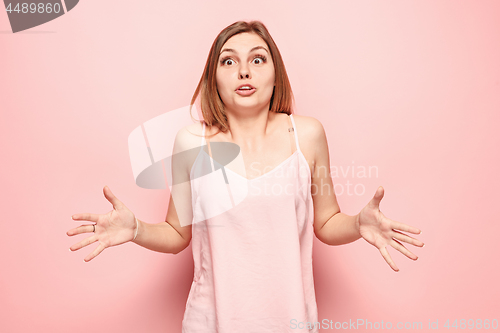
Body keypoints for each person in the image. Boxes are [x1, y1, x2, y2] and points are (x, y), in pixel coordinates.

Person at [67, 20, 424, 333]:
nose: (244, 71)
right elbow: (177, 233)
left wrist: (359, 223)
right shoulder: (191, 142)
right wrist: (135, 230)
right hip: (211, 322)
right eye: (228, 61)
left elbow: (327, 221)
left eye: (257, 59)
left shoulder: (307, 135)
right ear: (214, 78)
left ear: (275, 73)